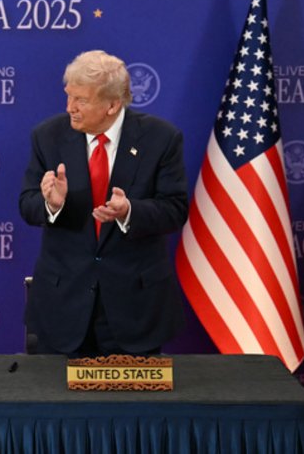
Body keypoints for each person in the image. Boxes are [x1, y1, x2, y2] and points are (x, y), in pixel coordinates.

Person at [19, 50, 188, 357]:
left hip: (134, 309)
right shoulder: (47, 136)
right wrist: (52, 205)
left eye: (81, 100)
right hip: (63, 308)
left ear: (112, 105)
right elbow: (27, 204)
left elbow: (175, 210)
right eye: (69, 96)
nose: (70, 108)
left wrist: (129, 211)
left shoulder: (160, 138)